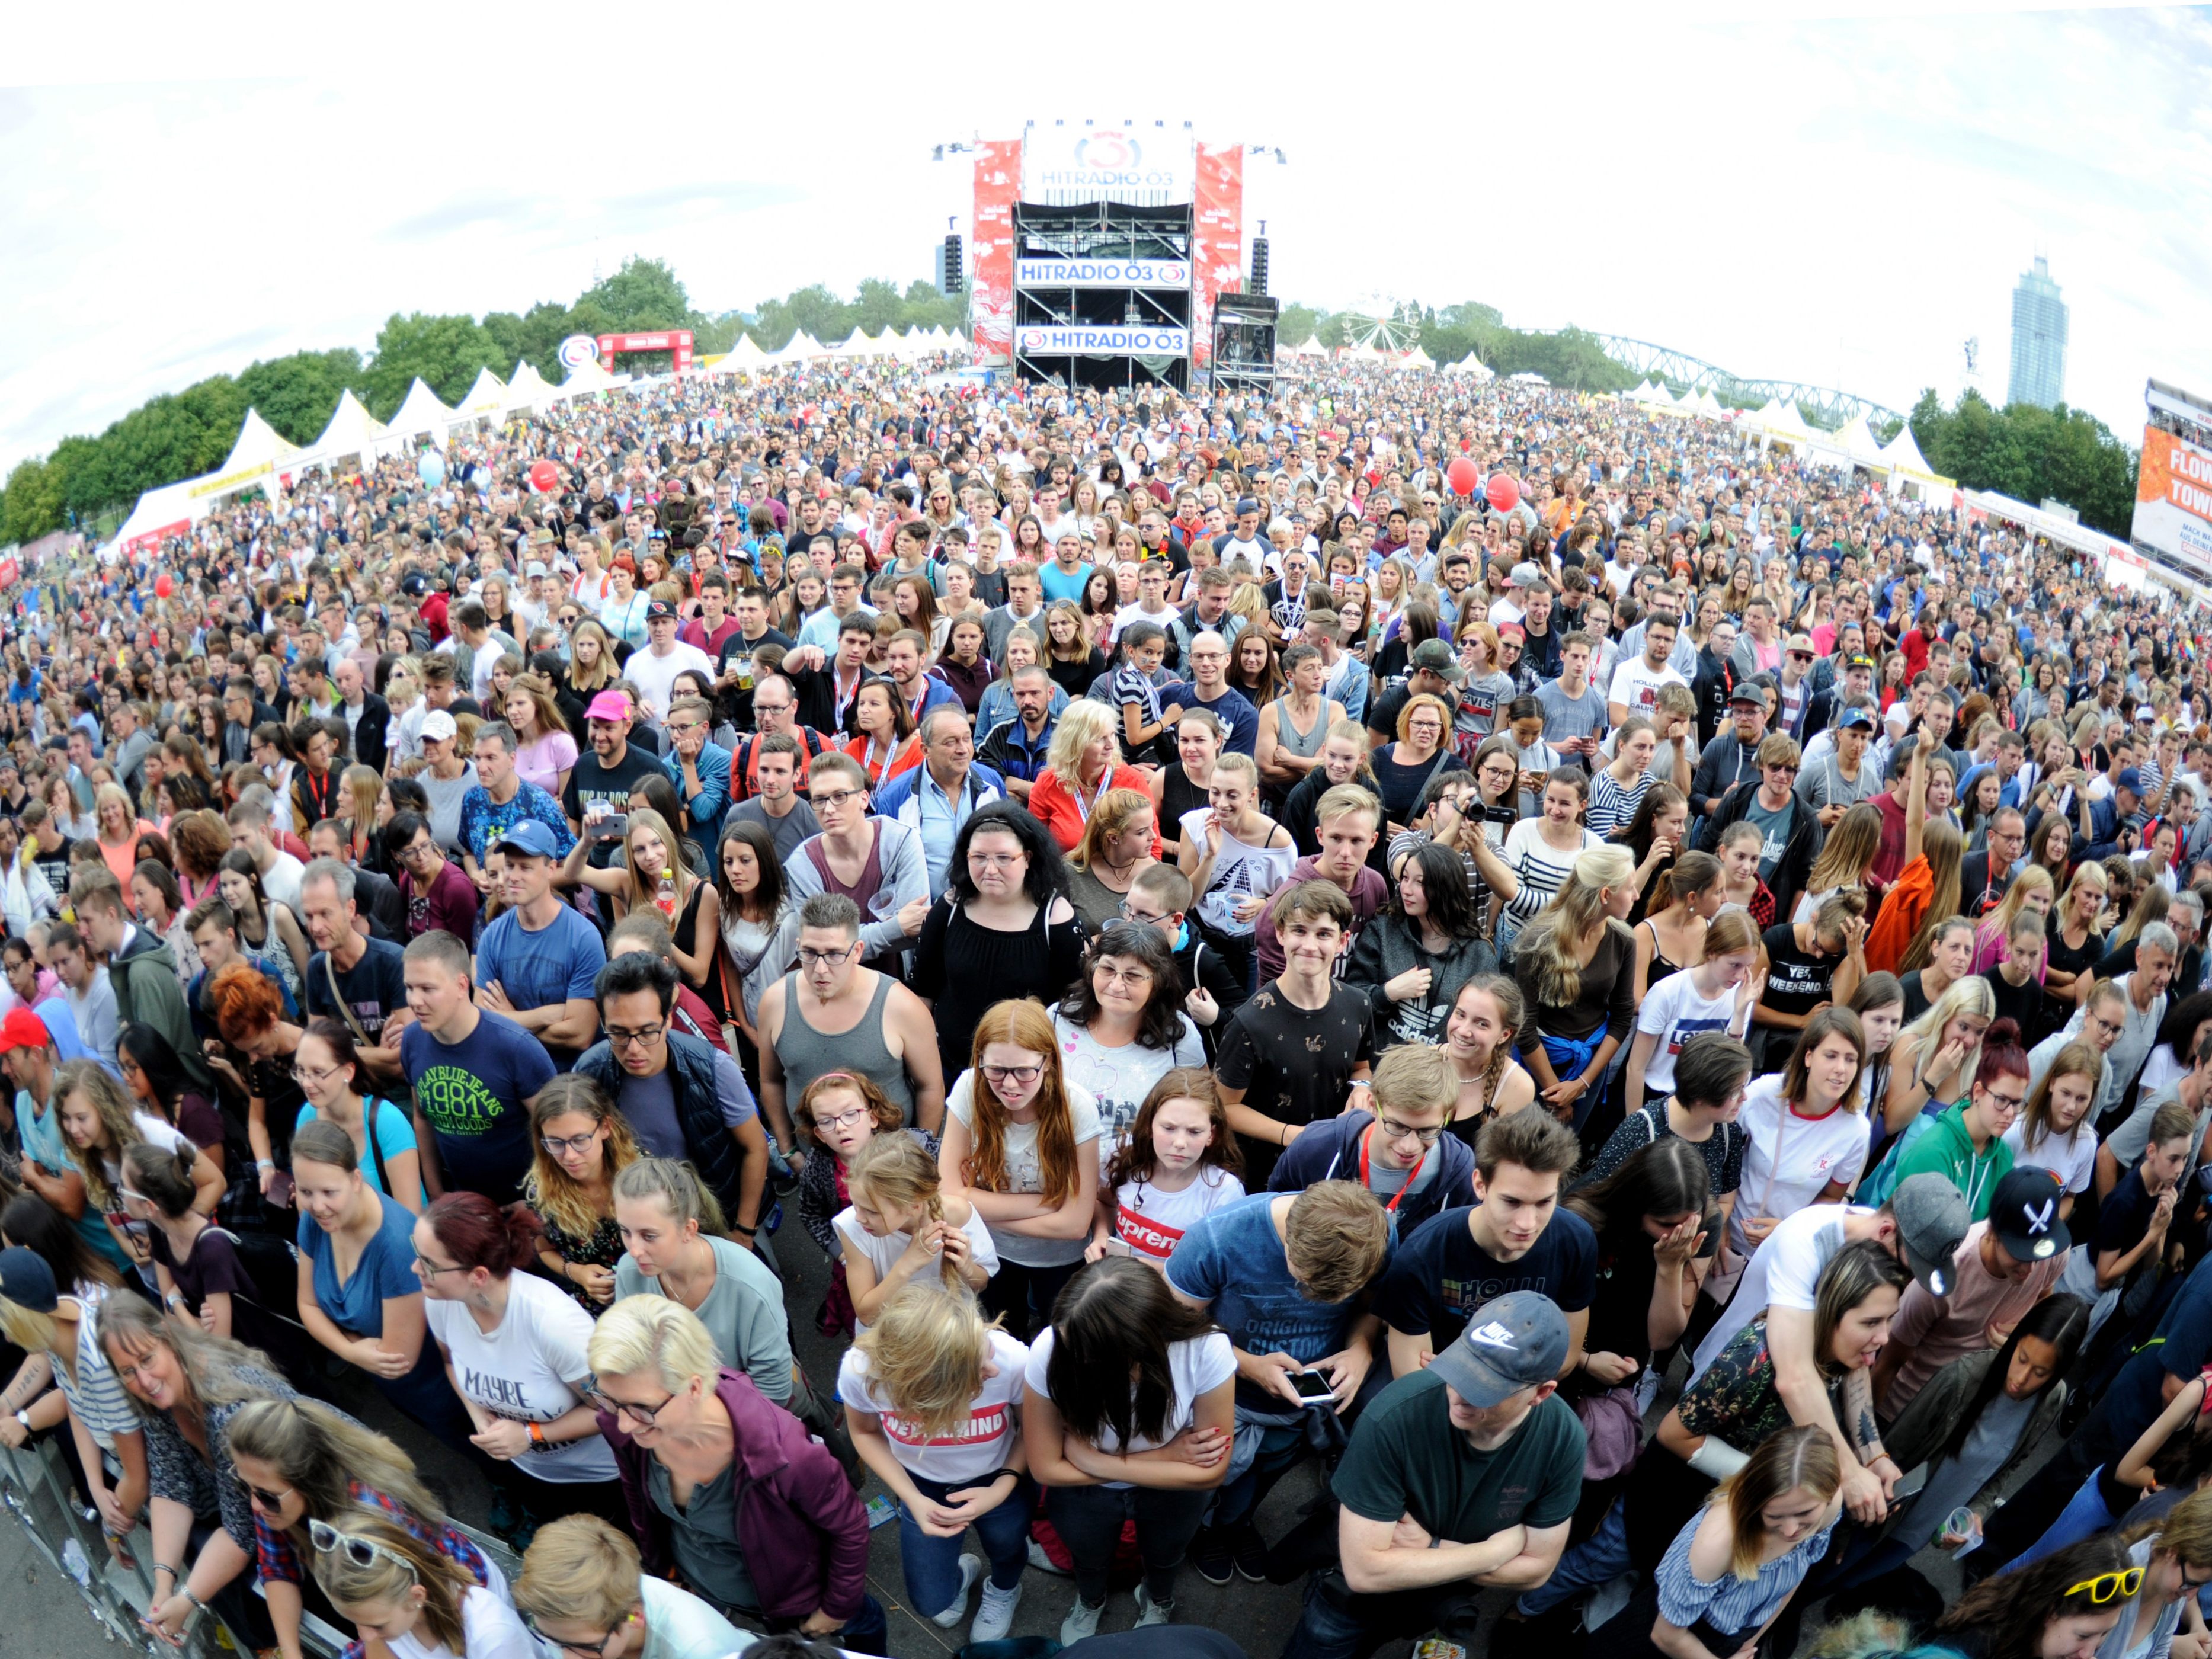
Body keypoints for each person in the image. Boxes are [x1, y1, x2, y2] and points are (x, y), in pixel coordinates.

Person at [1282, 1290, 1583, 1659]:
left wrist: (1432, 1548)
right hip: (1348, 1602)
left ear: (1541, 1393)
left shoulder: (1563, 1439)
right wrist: (1494, 1552)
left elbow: (1536, 1570)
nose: (1459, 1394)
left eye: (1487, 1389)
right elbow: (1365, 1571)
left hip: (1434, 1602)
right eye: (1462, 1370)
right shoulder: (1394, 1416)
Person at [585, 1294, 883, 1651]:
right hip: (708, 1589)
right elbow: (638, 1499)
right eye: (609, 1400)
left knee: (861, 1631)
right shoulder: (629, 1426)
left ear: (694, 1387)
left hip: (795, 1607)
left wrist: (836, 1608)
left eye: (641, 1408)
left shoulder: (787, 1455)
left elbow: (849, 1527)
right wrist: (666, 1570)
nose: (622, 1422)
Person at [1022, 1255, 1237, 1642]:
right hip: (1091, 1490)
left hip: (1150, 1488)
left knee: (1165, 1556)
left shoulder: (1206, 1348)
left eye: (1089, 1354)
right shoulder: (1053, 1346)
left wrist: (1091, 1458)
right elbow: (1044, 1468)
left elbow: (1211, 1471)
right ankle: (1090, 1599)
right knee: (1087, 1556)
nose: (1072, 1359)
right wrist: (1164, 1456)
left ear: (1139, 1346)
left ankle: (1158, 1599)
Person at [1828, 1292, 2088, 1594]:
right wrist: (1844, 1528)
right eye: (2022, 1358)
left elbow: (2004, 1470)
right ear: (2015, 1341)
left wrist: (1977, 1510)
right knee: (1825, 1574)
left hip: (1922, 1531)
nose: (2021, 1377)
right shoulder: (1961, 1378)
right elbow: (1894, 1448)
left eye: (2040, 1373)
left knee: (1853, 1582)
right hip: (1882, 1514)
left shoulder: (2052, 1401)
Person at [97, 1292, 308, 1649]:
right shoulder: (161, 1400)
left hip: (311, 1511)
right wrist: (164, 1582)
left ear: (167, 1339)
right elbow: (169, 1484)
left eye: (147, 1359)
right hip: (271, 1521)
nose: (144, 1381)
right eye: (128, 1372)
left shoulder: (226, 1410)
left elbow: (242, 1531)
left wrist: (187, 1599)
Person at [412, 1190, 626, 1532]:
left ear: (478, 1276)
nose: (415, 1269)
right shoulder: (442, 1301)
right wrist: (479, 1417)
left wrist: (530, 1435)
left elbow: (613, 1409)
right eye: (417, 1253)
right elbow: (451, 1363)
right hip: (531, 1471)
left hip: (596, 1479)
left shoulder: (553, 1324)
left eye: (429, 1264)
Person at [838, 1282, 1031, 1638]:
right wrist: (912, 1497)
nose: (991, 1369)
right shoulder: (862, 1372)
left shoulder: (1010, 1360)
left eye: (984, 1347)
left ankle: (1004, 1588)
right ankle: (961, 1572)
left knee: (1007, 1545)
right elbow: (863, 1432)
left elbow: (1031, 1430)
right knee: (930, 1603)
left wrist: (1002, 1488)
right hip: (920, 1483)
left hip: (998, 1475)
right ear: (928, 1387)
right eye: (974, 1370)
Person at [1586, 1425, 1841, 1659]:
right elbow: (1666, 1635)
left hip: (1736, 1637)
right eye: (1775, 1516)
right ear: (1754, 1498)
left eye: (1805, 1514)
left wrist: (1751, 1641)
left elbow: (1792, 1577)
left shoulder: (1830, 1505)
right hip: (1672, 1638)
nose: (1790, 1530)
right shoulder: (1718, 1542)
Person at [575, 950, 769, 1247]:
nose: (634, 1049)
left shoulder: (712, 1067)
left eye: (647, 1032)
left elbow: (755, 1147)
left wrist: (744, 1230)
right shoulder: (589, 1073)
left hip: (711, 1221)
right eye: (618, 1033)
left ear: (668, 1019)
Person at [289, 1117, 464, 1445]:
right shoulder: (315, 1221)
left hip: (437, 1386)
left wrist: (344, 1344)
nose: (317, 1205)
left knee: (473, 1448)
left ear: (356, 1179)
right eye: (305, 1191)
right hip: (391, 1385)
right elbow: (306, 1304)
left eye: (329, 1191)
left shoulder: (396, 1245)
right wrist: (352, 1350)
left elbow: (397, 1359)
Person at [937, 997, 1102, 1338]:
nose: (1010, 1085)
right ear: (980, 1060)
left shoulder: (1077, 1108)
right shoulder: (970, 1087)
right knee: (1001, 1340)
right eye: (996, 1070)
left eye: (1025, 1071)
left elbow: (1074, 1225)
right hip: (991, 1252)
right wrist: (1051, 1201)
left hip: (1060, 1261)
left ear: (1050, 1063)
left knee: (1060, 1343)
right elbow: (947, 1196)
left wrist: (975, 1203)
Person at [1871, 1165, 2076, 1420]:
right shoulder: (1943, 1279)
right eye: (2020, 1253)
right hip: (1907, 1408)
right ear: (1993, 1231)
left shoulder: (2054, 1256)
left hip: (1968, 1406)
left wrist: (2021, 1334)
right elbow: (1888, 1364)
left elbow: (2044, 1298)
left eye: (2039, 1252)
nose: (2031, 1267)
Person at [911, 802, 1087, 1086]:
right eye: (979, 857)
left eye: (1004, 858)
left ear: (1028, 858)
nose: (990, 869)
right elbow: (922, 989)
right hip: (950, 1069)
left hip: (1025, 1077)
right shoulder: (949, 907)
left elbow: (1075, 1004)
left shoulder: (1055, 917)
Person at [1214, 880, 1376, 1183]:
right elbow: (1224, 1106)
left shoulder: (1358, 1004)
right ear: (1280, 934)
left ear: (1343, 941)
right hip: (1267, 1173)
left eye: (1324, 934)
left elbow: (1361, 1067)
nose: (1310, 945)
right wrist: (1293, 1136)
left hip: (1336, 1168)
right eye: (1299, 931)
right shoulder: (1250, 1022)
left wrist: (1363, 1088)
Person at [760, 891, 944, 1148]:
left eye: (834, 954)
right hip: (813, 1166)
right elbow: (771, 1082)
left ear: (857, 951)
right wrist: (788, 1151)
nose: (820, 969)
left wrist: (919, 1156)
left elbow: (931, 1088)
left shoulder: (901, 1006)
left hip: (889, 1169)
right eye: (810, 953)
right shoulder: (775, 1002)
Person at [611, 1157, 794, 1409]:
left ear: (689, 1229)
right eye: (626, 1232)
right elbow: (633, 1355)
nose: (634, 1250)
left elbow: (774, 1391)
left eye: (649, 1236)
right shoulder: (629, 1273)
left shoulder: (750, 1285)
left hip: (746, 1418)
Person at [401, 928, 556, 1205]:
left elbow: (557, 1132)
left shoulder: (516, 1047)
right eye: (410, 988)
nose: (415, 1001)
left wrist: (537, 1203)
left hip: (523, 1208)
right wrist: (436, 1193)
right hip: (463, 1209)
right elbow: (422, 1118)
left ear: (462, 985)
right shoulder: (413, 1040)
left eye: (427, 989)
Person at [1267, 1039, 1476, 1241]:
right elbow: (1271, 1224)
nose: (1409, 1147)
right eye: (1397, 1126)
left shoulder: (1460, 1171)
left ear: (1448, 1115)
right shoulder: (1316, 1149)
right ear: (1373, 1103)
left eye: (1427, 1131)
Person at [1513, 844, 1639, 1136]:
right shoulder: (1539, 941)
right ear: (1606, 894)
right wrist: (1555, 1092)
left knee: (1565, 1151)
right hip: (1539, 1065)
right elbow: (1524, 1027)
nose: (1637, 896)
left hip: (1589, 1066)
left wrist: (1581, 1084)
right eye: (1630, 888)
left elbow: (1621, 1018)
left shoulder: (1624, 940)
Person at [1052, 921, 1207, 1158]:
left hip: (1134, 1177)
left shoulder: (1179, 1036)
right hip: (1054, 1169)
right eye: (1107, 970)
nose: (1116, 985)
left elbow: (1201, 1109)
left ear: (1158, 981)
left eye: (1133, 976)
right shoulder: (1057, 1019)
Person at [514, 1512, 751, 1659]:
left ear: (635, 1615)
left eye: (585, 1648)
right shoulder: (596, 1603)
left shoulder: (701, 1651)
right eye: (549, 1636)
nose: (567, 1658)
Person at [310, 1509, 537, 1659]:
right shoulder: (393, 1611)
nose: (365, 1636)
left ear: (416, 1597)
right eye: (354, 1622)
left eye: (378, 1626)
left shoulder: (495, 1638)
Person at [780, 752, 930, 969]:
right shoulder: (803, 864)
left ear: (864, 799)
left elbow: (916, 930)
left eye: (840, 796)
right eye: (820, 800)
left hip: (900, 982)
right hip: (834, 986)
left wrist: (845, 942)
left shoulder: (901, 841)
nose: (829, 809)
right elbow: (824, 948)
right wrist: (895, 926)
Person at [1343, 840, 1496, 1051]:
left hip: (1442, 1075)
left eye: (1420, 883)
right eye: (1405, 878)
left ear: (1445, 889)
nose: (1406, 889)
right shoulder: (1383, 931)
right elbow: (1350, 1002)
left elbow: (1489, 1021)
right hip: (1382, 1068)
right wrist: (1389, 992)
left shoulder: (1478, 953)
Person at [1090, 1068, 1246, 1267]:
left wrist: (1136, 1265)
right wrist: (1102, 1236)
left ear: (1211, 1135)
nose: (1180, 1142)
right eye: (1169, 1128)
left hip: (1171, 1297)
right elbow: (1105, 1202)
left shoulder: (1224, 1192)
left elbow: (1215, 1271)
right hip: (1117, 1286)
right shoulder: (1123, 1153)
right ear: (1149, 1125)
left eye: (1194, 1131)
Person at [1884, 1017, 2030, 1219]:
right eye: (2002, 1100)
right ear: (1978, 1092)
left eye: (2017, 1104)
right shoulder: (1933, 1150)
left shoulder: (2003, 1156)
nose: (2010, 1113)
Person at [1624, 911, 1760, 1114]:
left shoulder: (1740, 996)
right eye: (1734, 965)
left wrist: (1740, 1014)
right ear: (1711, 953)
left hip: (1705, 1101)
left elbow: (1731, 1067)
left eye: (1748, 966)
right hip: (1658, 1097)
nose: (1741, 975)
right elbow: (1636, 1067)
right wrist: (1635, 1126)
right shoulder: (1668, 991)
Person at [297, 857, 411, 1089]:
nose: (316, 927)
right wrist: (379, 1054)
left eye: (325, 914)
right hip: (348, 1090)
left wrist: (336, 1051)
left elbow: (401, 1062)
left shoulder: (393, 962)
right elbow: (317, 1054)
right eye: (309, 916)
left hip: (396, 1095)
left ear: (350, 909)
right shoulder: (318, 969)